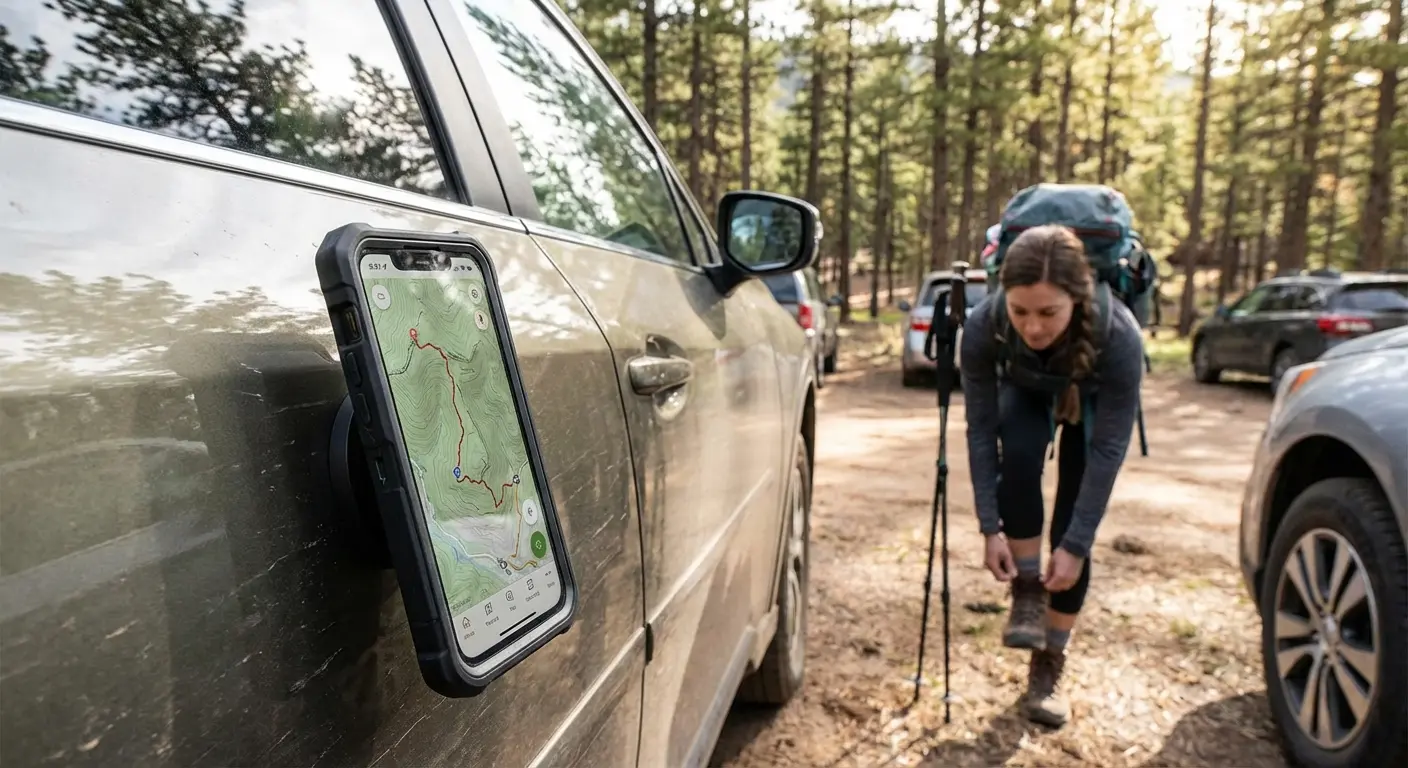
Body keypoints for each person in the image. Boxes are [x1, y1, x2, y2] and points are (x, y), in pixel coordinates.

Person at [958, 224, 1144, 727]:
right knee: (1019, 451)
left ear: (1076, 300)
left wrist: (1077, 544)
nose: (1033, 328)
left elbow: (1108, 448)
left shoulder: (1118, 334)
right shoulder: (986, 325)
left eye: (1048, 313)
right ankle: (1026, 588)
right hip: (1024, 385)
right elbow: (981, 431)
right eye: (1020, 311)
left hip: (1091, 393)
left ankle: (1049, 663)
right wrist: (989, 527)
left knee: (1069, 534)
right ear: (1002, 297)